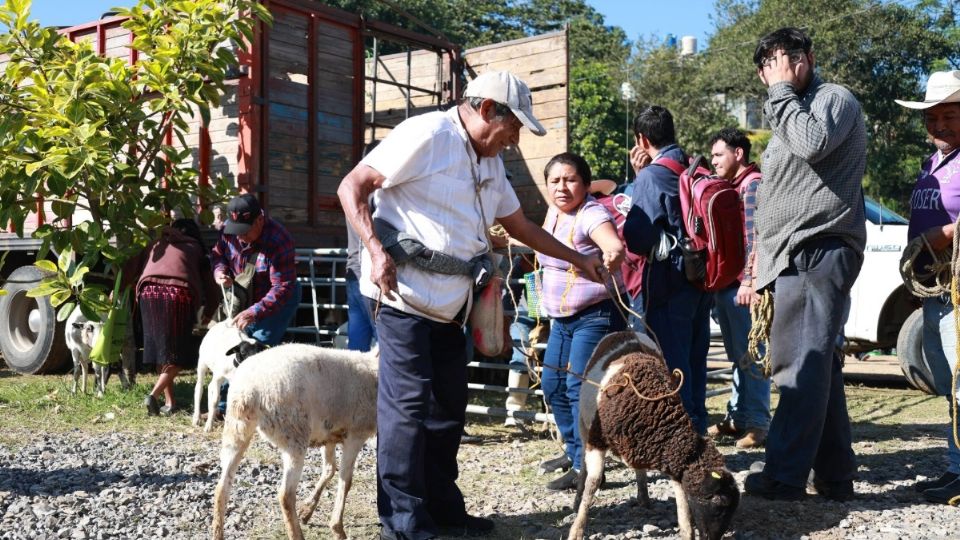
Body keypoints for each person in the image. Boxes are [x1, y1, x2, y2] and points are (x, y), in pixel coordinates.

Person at [337, 70, 607, 540]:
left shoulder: (490, 162)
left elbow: (520, 225)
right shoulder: (428, 134)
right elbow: (352, 186)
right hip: (402, 295)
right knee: (407, 409)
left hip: (452, 304)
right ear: (486, 109)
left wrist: (577, 259)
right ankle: (402, 525)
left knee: (447, 409)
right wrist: (375, 251)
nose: (514, 139)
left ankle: (442, 510)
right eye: (512, 127)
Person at [742, 27, 867, 502]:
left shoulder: (832, 98)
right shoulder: (786, 113)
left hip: (820, 247)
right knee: (820, 367)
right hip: (794, 255)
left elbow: (812, 143)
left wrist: (779, 92)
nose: (774, 71)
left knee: (800, 365)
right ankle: (835, 475)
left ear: (807, 58)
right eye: (767, 66)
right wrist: (761, 263)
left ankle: (784, 477)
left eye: (784, 59)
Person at [537, 152, 626, 491]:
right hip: (561, 318)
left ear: (586, 185)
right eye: (555, 181)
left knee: (578, 390)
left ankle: (588, 468)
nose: (562, 187)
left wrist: (613, 253)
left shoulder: (592, 213)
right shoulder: (554, 213)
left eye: (570, 179)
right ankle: (574, 450)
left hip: (594, 315)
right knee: (553, 386)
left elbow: (611, 243)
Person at [622, 105, 712, 434]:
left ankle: (682, 440)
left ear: (642, 139)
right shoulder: (694, 169)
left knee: (672, 363)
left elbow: (636, 234)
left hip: (670, 282)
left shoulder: (651, 176)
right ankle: (698, 429)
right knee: (695, 360)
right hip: (702, 280)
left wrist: (636, 182)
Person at [895, 69, 960, 505]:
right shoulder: (933, 163)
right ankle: (957, 469)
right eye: (932, 116)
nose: (939, 124)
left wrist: (947, 234)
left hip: (957, 288)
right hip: (937, 289)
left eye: (949, 116)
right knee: (949, 382)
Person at [705, 128, 771, 449]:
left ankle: (758, 423)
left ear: (738, 154)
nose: (714, 161)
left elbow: (757, 238)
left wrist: (750, 280)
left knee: (753, 353)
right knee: (738, 355)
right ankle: (737, 417)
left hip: (746, 287)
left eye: (719, 154)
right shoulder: (735, 186)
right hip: (731, 284)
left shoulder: (753, 186)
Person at [211, 193, 302, 416]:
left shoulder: (279, 239)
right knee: (234, 343)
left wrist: (254, 312)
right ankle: (229, 406)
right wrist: (219, 271)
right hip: (245, 294)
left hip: (277, 300)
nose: (240, 237)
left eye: (245, 230)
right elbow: (217, 255)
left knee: (255, 348)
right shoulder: (229, 232)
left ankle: (241, 406)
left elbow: (281, 288)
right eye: (236, 230)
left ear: (259, 220)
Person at [135, 218, 220, 416]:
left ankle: (170, 402)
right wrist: (209, 311)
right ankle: (154, 396)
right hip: (177, 294)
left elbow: (136, 265)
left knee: (161, 351)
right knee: (179, 354)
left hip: (147, 293)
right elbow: (210, 285)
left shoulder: (157, 244)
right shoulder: (197, 248)